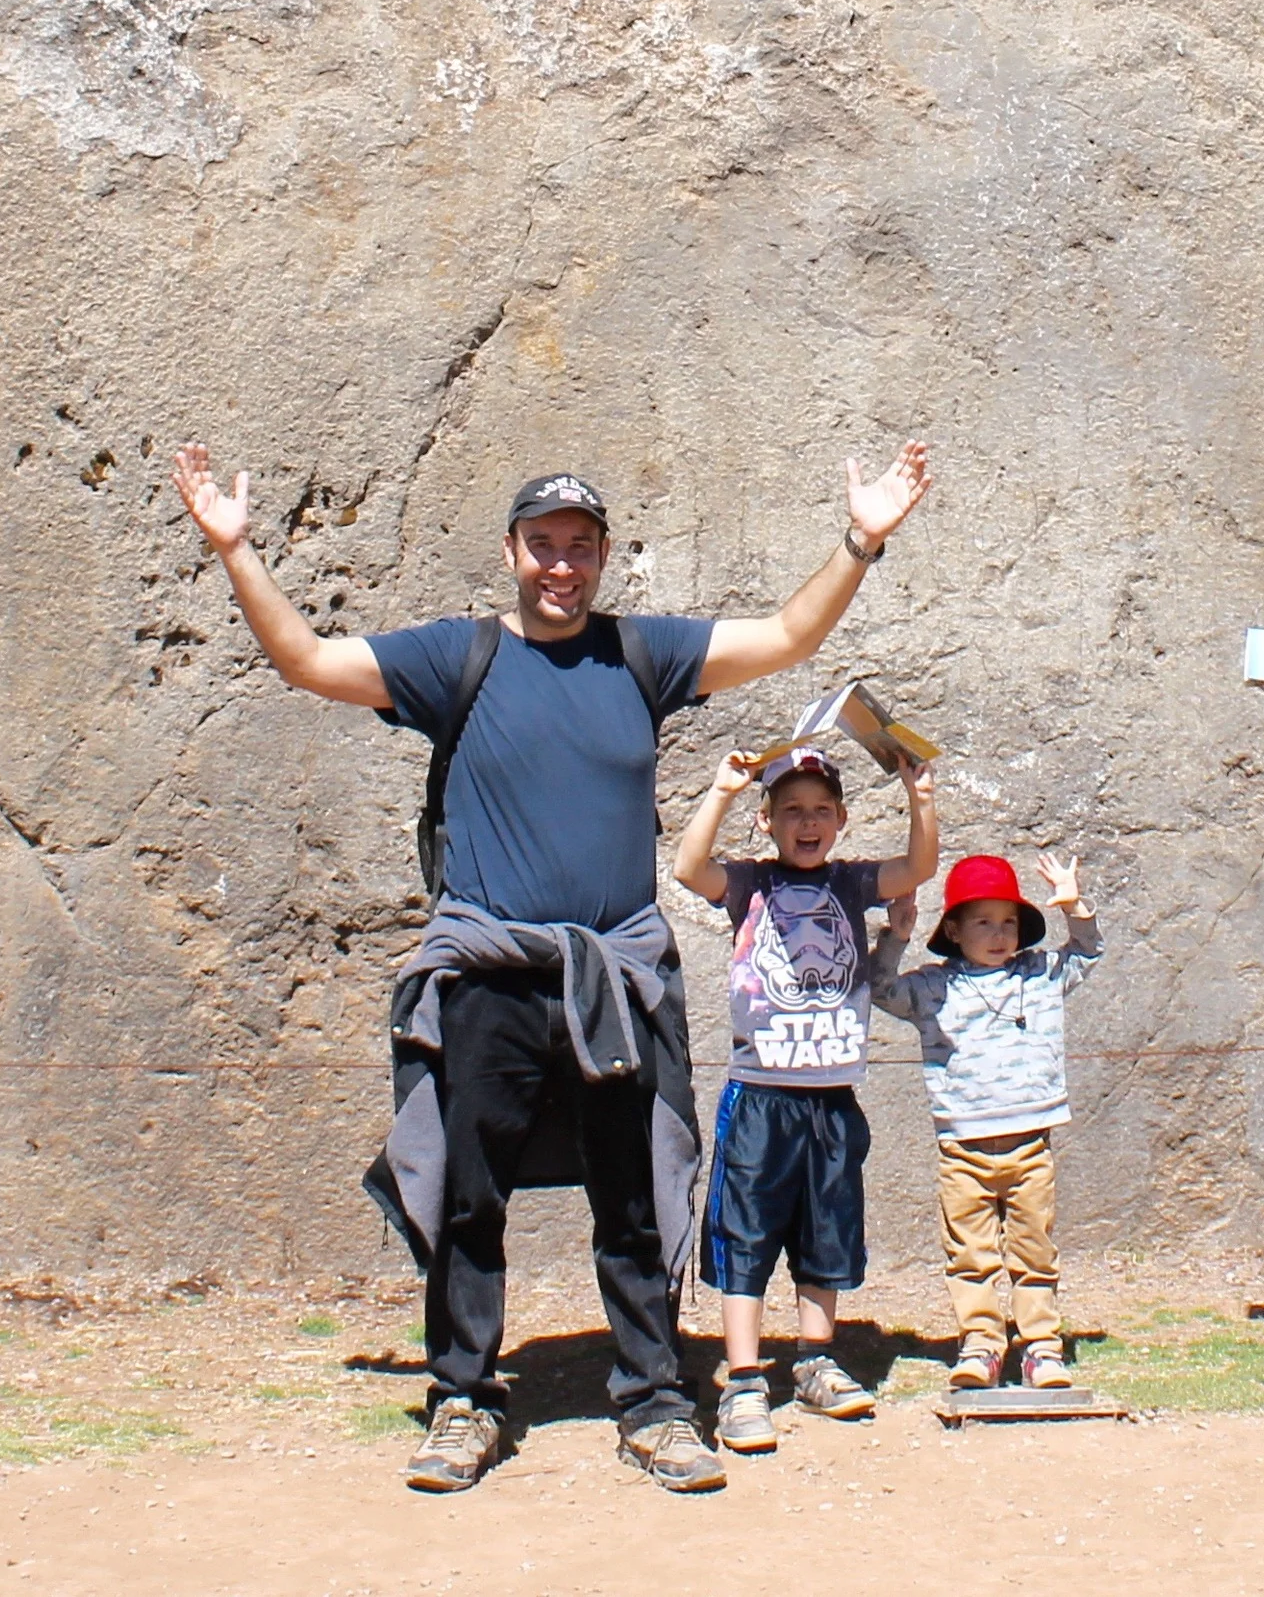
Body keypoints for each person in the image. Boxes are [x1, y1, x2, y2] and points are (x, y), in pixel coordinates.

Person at [169, 440, 933, 1495]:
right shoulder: (458, 659)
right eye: (542, 545)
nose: (561, 564)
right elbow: (305, 659)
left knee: (634, 1195)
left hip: (614, 977)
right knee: (467, 1197)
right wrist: (236, 548)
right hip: (489, 970)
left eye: (580, 545)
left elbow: (790, 634)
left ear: (605, 554)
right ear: (512, 552)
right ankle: (463, 1397)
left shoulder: (642, 655)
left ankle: (657, 1398)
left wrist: (862, 538)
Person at [670, 740, 940, 1452]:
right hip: (760, 1095)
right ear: (767, 821)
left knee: (828, 1229)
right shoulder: (749, 884)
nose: (807, 822)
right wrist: (723, 790)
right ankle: (745, 1379)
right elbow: (686, 867)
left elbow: (918, 868)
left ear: (843, 819)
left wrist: (922, 798)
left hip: (831, 1095)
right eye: (791, 810)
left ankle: (816, 1359)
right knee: (746, 1233)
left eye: (821, 809)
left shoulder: (852, 884)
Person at [870, 850, 1101, 1389]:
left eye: (1009, 922)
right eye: (982, 922)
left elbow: (1088, 953)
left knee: (1034, 1249)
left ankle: (1042, 1347)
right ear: (953, 928)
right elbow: (879, 990)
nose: (999, 935)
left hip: (1029, 1144)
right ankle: (980, 1346)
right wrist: (895, 938)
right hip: (962, 1149)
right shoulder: (931, 986)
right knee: (970, 1254)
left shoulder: (1040, 974)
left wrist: (1076, 906)